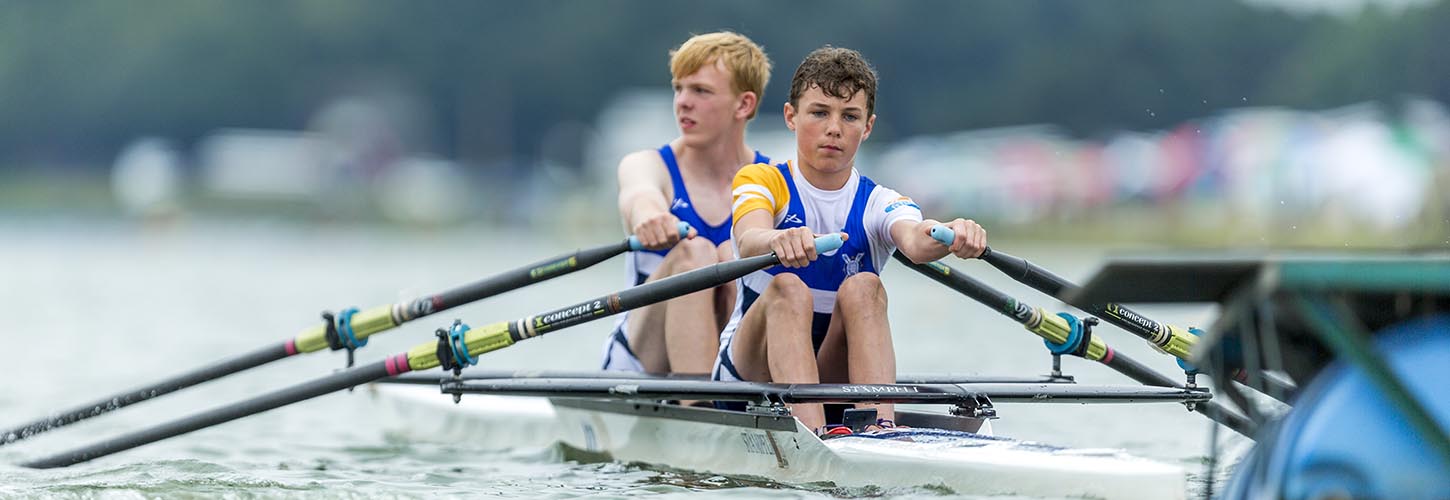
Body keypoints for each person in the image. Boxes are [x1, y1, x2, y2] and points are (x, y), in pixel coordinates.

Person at [713, 46, 987, 434]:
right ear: (792, 117)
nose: (834, 128)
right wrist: (779, 239)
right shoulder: (761, 180)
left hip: (832, 376)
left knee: (865, 286)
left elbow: (916, 240)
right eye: (820, 112)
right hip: (748, 378)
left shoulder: (880, 201)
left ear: (868, 126)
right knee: (788, 287)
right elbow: (750, 236)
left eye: (850, 116)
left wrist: (952, 234)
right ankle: (813, 437)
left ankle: (881, 429)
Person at [601, 32, 774, 376]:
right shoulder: (648, 164)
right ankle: (699, 406)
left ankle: (723, 398)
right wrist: (650, 217)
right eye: (679, 88)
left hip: (732, 349)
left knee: (729, 254)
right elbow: (640, 195)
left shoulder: (773, 180)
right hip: (642, 360)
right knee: (697, 254)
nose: (682, 102)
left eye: (701, 91)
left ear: (744, 105)